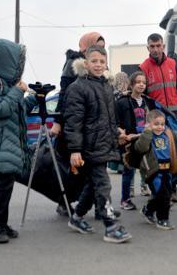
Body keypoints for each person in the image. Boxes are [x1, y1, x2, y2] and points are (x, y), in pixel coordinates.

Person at [63, 45, 132, 243]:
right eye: (94, 61)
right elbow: (73, 122)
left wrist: (116, 132)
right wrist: (75, 150)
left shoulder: (105, 86)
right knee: (103, 184)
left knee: (94, 185)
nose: (98, 65)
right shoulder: (78, 88)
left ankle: (76, 217)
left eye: (102, 61)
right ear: (86, 63)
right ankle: (110, 226)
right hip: (88, 146)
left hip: (104, 143)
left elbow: (107, 118)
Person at [0, 39, 37, 243]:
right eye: (17, 62)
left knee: (6, 186)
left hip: (9, 144)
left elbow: (15, 110)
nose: (19, 67)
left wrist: (35, 97)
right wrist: (18, 91)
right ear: (8, 61)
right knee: (2, 187)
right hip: (0, 143)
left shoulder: (8, 84)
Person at [51, 32, 105, 216]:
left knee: (97, 167)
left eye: (102, 48)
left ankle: (100, 205)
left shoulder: (99, 66)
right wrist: (58, 122)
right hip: (74, 124)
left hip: (94, 125)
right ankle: (64, 201)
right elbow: (63, 94)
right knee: (76, 169)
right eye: (96, 47)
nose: (99, 52)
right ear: (86, 47)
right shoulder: (73, 65)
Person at [140, 33, 177, 203]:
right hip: (157, 121)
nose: (155, 49)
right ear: (148, 48)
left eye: (158, 45)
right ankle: (160, 190)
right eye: (152, 46)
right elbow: (142, 97)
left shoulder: (173, 64)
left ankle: (172, 186)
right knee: (160, 158)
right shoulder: (143, 68)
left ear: (163, 46)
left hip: (174, 118)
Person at [133, 109, 177, 230]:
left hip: (166, 171)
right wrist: (147, 132)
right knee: (163, 195)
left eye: (162, 124)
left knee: (163, 194)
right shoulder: (147, 136)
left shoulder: (168, 134)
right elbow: (140, 147)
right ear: (149, 124)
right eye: (156, 124)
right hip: (154, 172)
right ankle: (163, 219)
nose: (160, 127)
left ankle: (148, 210)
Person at [116, 71, 156, 210]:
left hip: (145, 140)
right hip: (129, 142)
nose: (141, 85)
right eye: (138, 82)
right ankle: (125, 199)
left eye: (144, 82)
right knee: (129, 171)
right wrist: (120, 134)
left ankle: (157, 196)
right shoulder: (122, 102)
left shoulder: (148, 102)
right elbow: (116, 122)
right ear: (131, 84)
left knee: (150, 169)